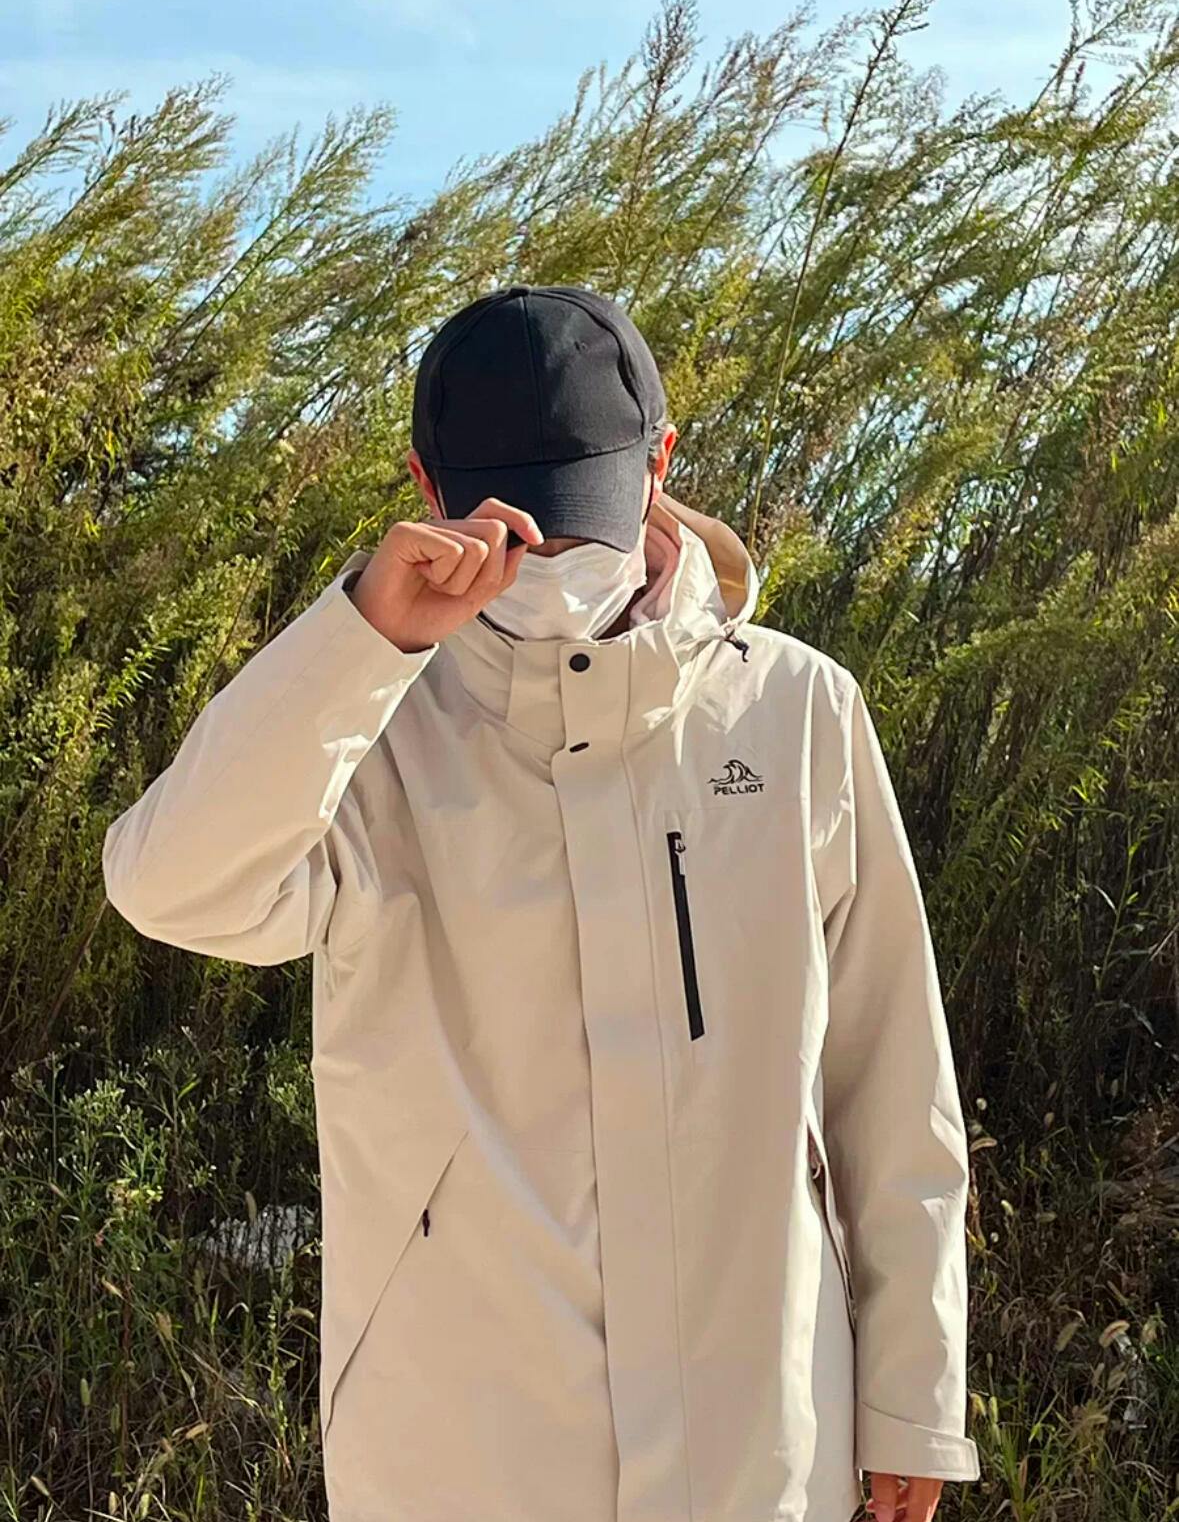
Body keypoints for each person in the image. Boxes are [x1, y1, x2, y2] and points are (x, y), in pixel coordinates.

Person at [103, 283, 981, 1522]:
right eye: (518, 523)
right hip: (459, 1456)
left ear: (660, 463)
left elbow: (892, 1081)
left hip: (762, 1444)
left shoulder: (797, 712)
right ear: (428, 488)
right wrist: (364, 640)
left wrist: (912, 1399)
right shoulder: (368, 730)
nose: (553, 561)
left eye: (579, 516)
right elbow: (169, 887)